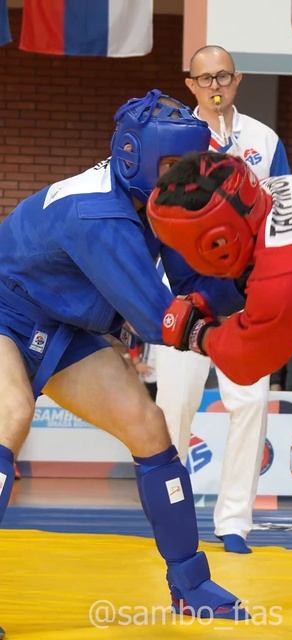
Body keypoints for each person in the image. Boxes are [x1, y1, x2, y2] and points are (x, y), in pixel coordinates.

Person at [0, 93, 250, 622]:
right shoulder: (96, 213)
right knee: (12, 413)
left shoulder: (161, 197)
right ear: (133, 156)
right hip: (5, 309)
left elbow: (194, 287)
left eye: (189, 165)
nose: (183, 176)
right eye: (172, 166)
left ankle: (190, 583)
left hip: (62, 326)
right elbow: (157, 315)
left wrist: (246, 275)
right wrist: (240, 331)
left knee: (148, 425)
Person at [147, 150, 292, 490]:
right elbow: (250, 271)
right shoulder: (273, 190)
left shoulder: (286, 270)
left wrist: (196, 333)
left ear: (215, 240)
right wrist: (209, 299)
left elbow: (247, 362)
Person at [155, 45, 290, 553]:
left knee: (251, 403)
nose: (215, 86)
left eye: (224, 76)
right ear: (189, 84)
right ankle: (174, 521)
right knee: (174, 409)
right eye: (204, 78)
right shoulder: (168, 137)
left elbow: (284, 209)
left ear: (239, 80)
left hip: (243, 296)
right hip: (183, 291)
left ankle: (234, 523)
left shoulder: (263, 138)